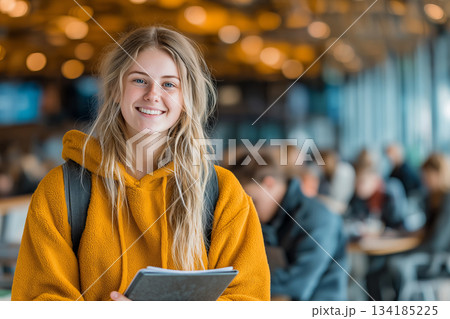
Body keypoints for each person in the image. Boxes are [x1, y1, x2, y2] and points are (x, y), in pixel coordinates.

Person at [11, 26, 270, 301]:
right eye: (139, 80)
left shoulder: (222, 192)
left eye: (169, 84)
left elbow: (249, 300)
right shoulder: (62, 190)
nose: (153, 94)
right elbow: (37, 300)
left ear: (187, 98)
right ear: (114, 89)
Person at [230, 147, 348, 301]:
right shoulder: (271, 220)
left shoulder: (319, 219)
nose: (248, 212)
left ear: (269, 183)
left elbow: (298, 284)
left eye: (252, 202)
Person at [387, 153, 450, 300]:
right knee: (390, 262)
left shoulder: (447, 200)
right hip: (431, 251)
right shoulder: (433, 198)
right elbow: (428, 230)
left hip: (441, 258)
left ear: (438, 174)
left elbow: (437, 242)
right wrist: (401, 234)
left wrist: (411, 249)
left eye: (427, 176)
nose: (424, 180)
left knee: (398, 264)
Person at [318, 150, 355, 214]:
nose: (320, 167)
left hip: (343, 207)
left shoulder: (344, 172)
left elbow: (339, 204)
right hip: (332, 207)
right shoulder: (325, 175)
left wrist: (316, 197)